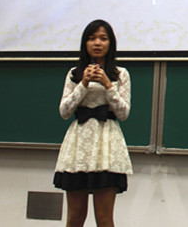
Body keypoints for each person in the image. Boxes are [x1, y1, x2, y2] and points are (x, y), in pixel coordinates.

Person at [53, 19, 132, 227]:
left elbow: (123, 113)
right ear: (85, 44)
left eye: (103, 38)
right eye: (92, 38)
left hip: (107, 145)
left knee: (104, 218)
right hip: (78, 145)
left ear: (110, 43)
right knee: (75, 216)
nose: (97, 43)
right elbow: (64, 111)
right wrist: (83, 84)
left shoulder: (121, 74)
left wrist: (107, 85)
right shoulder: (74, 74)